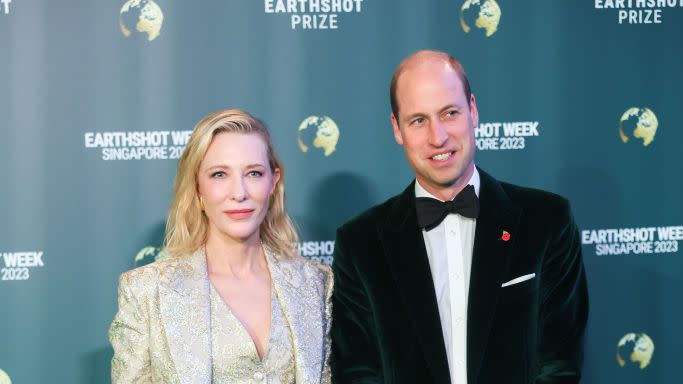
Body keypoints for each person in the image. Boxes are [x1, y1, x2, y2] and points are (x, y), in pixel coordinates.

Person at [331, 50, 589, 383]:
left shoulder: (547, 221)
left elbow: (559, 364)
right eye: (419, 120)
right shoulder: (360, 244)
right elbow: (358, 373)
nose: (438, 137)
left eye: (449, 113)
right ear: (397, 129)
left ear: (473, 110)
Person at [109, 109, 332, 383]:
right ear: (197, 189)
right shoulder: (147, 291)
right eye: (219, 175)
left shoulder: (316, 283)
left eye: (253, 173)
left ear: (273, 182)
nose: (239, 193)